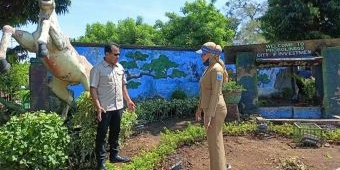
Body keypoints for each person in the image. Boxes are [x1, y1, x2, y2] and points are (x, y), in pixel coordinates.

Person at [90, 42, 136, 170]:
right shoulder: (97, 69)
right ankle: (100, 162)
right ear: (107, 54)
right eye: (115, 54)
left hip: (118, 107)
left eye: (119, 54)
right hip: (105, 108)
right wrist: (98, 106)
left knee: (115, 132)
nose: (118, 56)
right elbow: (92, 88)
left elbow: (123, 86)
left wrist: (128, 100)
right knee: (101, 135)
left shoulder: (120, 68)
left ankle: (114, 155)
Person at [195, 42, 230, 170]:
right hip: (210, 108)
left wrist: (209, 115)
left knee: (215, 143)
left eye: (203, 54)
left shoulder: (216, 69)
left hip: (215, 109)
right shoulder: (209, 68)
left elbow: (215, 94)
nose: (201, 56)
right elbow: (204, 91)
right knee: (213, 143)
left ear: (211, 55)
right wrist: (199, 109)